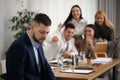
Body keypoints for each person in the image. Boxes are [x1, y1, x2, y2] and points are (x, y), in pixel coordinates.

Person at [6, 13, 56, 80]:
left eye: (47, 33)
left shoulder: (38, 41)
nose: (45, 36)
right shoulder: (18, 47)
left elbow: (46, 67)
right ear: (32, 27)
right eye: (42, 32)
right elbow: (16, 78)